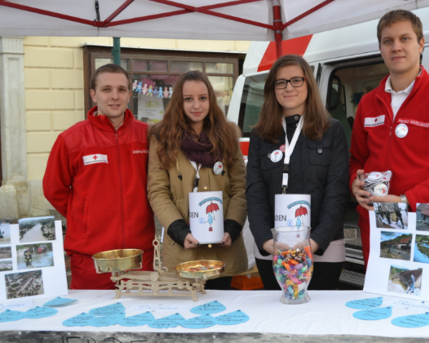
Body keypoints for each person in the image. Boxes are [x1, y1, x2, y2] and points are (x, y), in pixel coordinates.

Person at [349, 9, 429, 267]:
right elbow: (357, 159)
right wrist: (354, 182)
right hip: (376, 221)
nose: (396, 47)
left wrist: (405, 200)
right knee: (380, 301)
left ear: (421, 44)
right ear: (380, 48)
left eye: (404, 39)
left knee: (421, 299)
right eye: (388, 41)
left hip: (424, 220)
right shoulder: (368, 103)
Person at [43, 63, 155, 289]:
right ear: (93, 95)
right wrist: (85, 216)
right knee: (93, 322)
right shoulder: (71, 140)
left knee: (139, 320)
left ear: (129, 94)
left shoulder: (148, 136)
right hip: (91, 257)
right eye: (106, 89)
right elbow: (54, 189)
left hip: (140, 257)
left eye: (121, 90)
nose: (115, 96)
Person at [247, 54, 349, 290]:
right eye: (280, 82)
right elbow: (255, 191)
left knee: (319, 318)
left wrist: (313, 243)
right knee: (275, 316)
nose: (288, 88)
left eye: (296, 80)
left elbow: (337, 191)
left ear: (308, 84)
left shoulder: (331, 130)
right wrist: (267, 241)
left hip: (323, 249)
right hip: (272, 249)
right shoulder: (260, 135)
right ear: (272, 89)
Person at [147, 71, 247, 290]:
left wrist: (231, 227)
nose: (196, 105)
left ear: (211, 100)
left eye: (202, 98)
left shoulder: (228, 136)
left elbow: (240, 188)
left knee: (222, 315)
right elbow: (158, 191)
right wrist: (180, 231)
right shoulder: (162, 139)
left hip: (223, 249)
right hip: (183, 251)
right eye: (188, 99)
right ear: (178, 102)